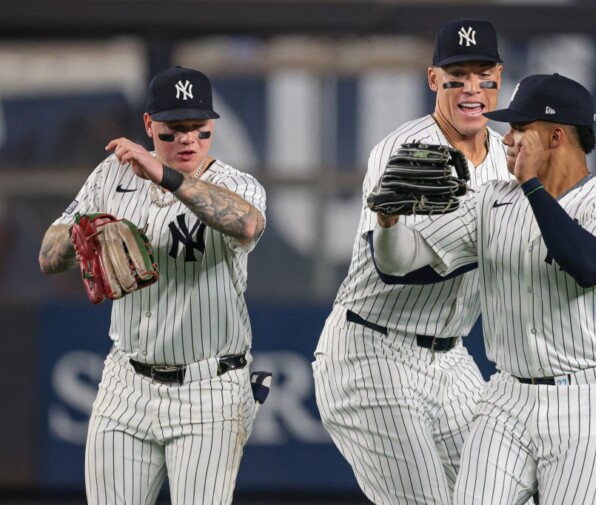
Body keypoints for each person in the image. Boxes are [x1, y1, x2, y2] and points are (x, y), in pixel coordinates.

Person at [372, 73, 596, 505]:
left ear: (556, 136)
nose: (508, 138)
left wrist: (533, 185)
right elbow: (398, 265)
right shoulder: (491, 200)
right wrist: (387, 223)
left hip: (589, 400)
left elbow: (590, 266)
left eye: (520, 128)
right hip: (506, 397)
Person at [38, 66, 266, 505]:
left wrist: (165, 176)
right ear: (148, 125)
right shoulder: (112, 174)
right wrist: (82, 235)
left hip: (210, 389)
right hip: (126, 382)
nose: (187, 140)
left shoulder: (236, 184)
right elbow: (47, 256)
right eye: (173, 130)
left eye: (199, 130)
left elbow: (249, 225)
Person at [312, 19, 517, 505]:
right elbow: (396, 265)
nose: (471, 88)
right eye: (457, 75)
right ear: (433, 80)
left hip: (452, 358)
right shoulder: (405, 151)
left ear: (499, 77)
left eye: (482, 74)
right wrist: (388, 222)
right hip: (373, 351)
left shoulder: (511, 156)